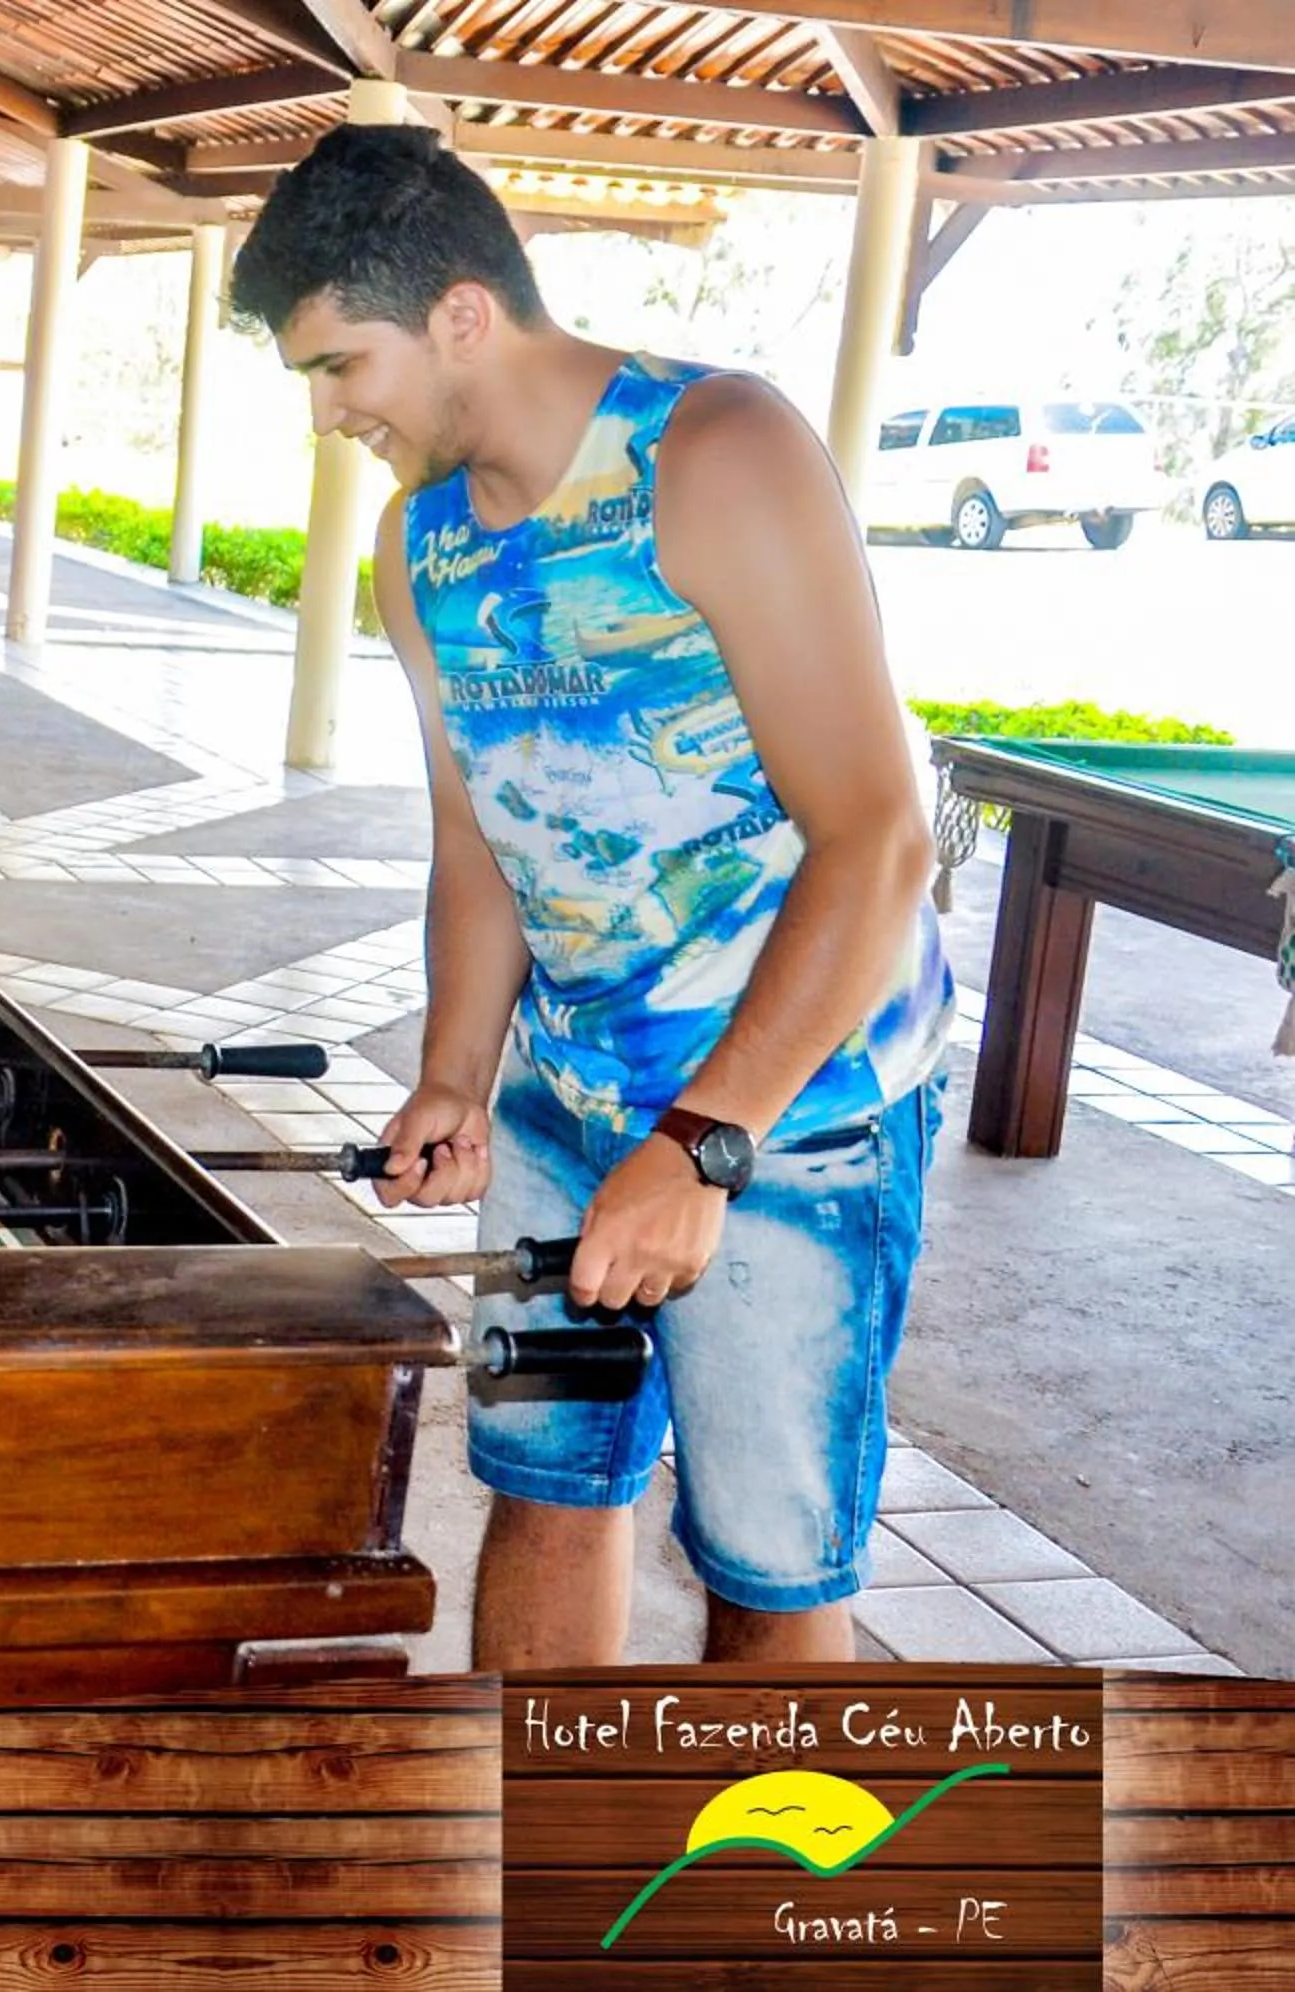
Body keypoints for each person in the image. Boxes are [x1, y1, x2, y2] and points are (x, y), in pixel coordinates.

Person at [227, 125, 952, 1668]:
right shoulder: (418, 548)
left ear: (463, 317)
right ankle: (543, 1884)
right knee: (548, 1490)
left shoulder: (716, 453)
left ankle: (751, 1912)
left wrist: (702, 1145)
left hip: (791, 1125)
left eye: (340, 365)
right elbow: (477, 837)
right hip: (567, 1113)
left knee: (768, 1570)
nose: (329, 412)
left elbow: (883, 837)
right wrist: (452, 1075)